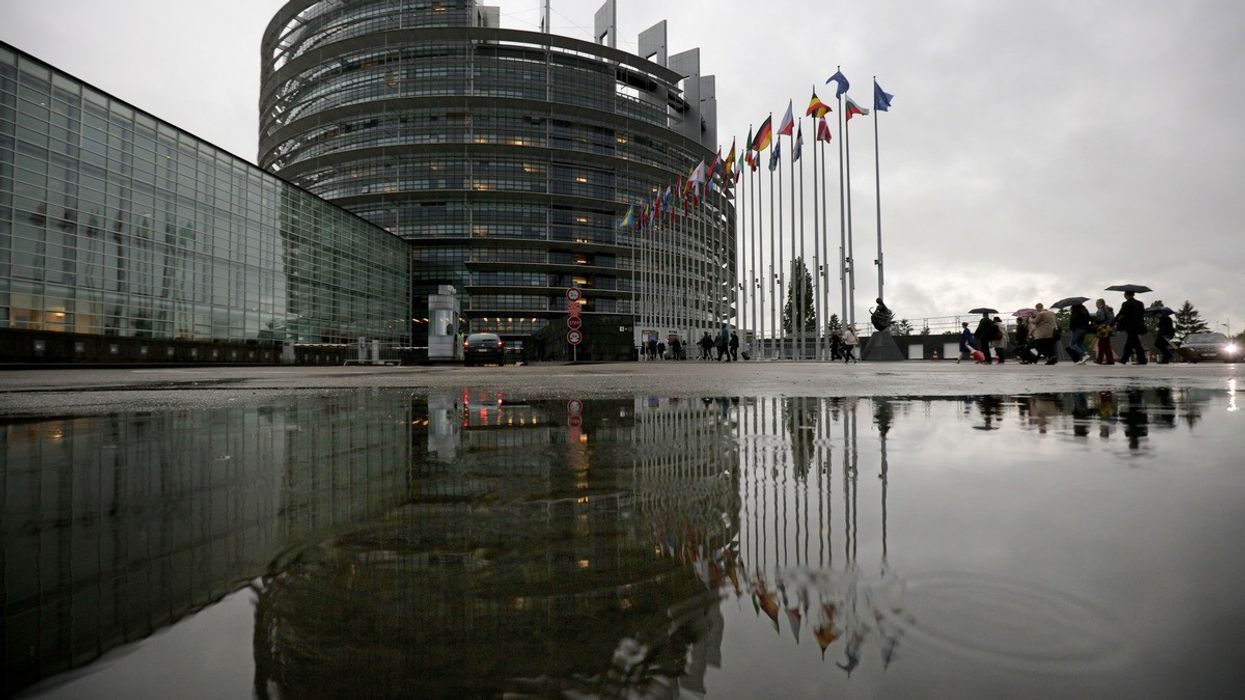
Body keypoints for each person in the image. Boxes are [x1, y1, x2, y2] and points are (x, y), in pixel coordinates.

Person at [1113, 291, 1147, 365]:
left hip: (1130, 326)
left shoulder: (1126, 304)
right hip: (1138, 325)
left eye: (1124, 294)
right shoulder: (1140, 303)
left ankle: (1141, 360)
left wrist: (1112, 323)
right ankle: (1125, 359)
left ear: (1126, 295)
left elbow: (1120, 314)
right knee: (1132, 343)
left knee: (1134, 344)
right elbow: (1142, 314)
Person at [1093, 298, 1116, 365]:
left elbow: (1100, 318)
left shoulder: (1101, 309)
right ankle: (1108, 359)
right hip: (1108, 328)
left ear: (1100, 303)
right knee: (1105, 344)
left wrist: (1094, 318)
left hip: (1103, 328)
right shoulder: (1108, 309)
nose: (1096, 305)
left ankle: (1103, 360)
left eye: (1096, 303)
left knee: (1102, 344)